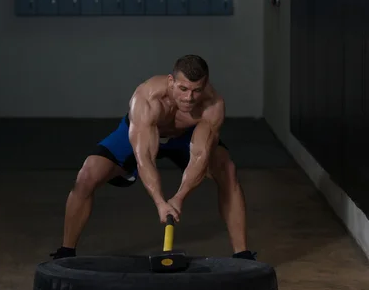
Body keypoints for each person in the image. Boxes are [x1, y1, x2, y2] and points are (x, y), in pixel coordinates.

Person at [50, 54, 256, 260]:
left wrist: (178, 198)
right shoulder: (147, 98)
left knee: (227, 170)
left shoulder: (213, 106)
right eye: (183, 89)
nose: (189, 98)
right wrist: (160, 202)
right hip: (144, 132)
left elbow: (199, 158)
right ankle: (66, 252)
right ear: (170, 82)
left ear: (205, 86)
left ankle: (242, 255)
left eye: (197, 91)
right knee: (88, 173)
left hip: (186, 137)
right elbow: (144, 158)